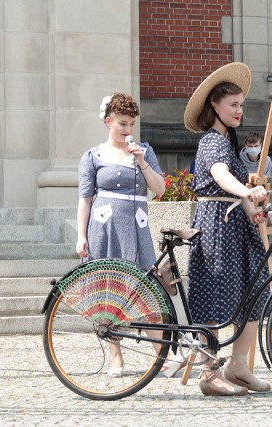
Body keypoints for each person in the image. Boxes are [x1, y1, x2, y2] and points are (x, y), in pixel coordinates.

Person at [76, 92, 185, 378]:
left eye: (131, 124)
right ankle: (115, 356)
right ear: (108, 121)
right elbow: (85, 199)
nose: (127, 130)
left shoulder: (143, 151)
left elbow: (160, 190)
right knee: (109, 290)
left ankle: (161, 355)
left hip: (136, 230)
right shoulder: (93, 156)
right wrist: (81, 236)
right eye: (122, 123)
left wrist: (142, 162)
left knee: (145, 289)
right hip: (105, 229)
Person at [183, 62, 271, 396]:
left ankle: (239, 366)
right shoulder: (211, 142)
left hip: (235, 225)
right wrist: (246, 191)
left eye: (241, 105)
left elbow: (233, 185)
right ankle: (208, 373)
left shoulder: (229, 140)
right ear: (214, 107)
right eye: (233, 105)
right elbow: (220, 176)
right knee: (215, 296)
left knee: (253, 293)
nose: (239, 110)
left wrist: (251, 211)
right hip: (216, 227)